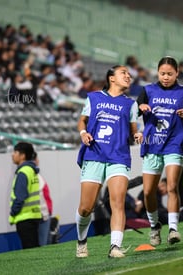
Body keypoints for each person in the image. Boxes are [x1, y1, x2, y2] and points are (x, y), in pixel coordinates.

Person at [75, 65, 141, 258]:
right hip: (94, 154)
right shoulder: (93, 97)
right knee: (86, 207)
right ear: (111, 78)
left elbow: (133, 129)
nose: (128, 76)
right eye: (124, 73)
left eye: (129, 74)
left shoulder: (130, 104)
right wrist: (83, 133)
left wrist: (137, 134)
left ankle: (115, 246)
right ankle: (81, 240)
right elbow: (82, 120)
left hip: (118, 157)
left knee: (118, 202)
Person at [136, 56, 183, 246]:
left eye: (170, 74)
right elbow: (133, 112)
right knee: (148, 193)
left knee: (171, 187)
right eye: (162, 73)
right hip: (152, 145)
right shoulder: (147, 90)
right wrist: (140, 106)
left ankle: (173, 229)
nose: (166, 77)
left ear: (177, 73)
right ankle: (155, 227)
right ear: (158, 73)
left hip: (174, 144)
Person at [9, 142, 42, 249]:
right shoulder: (31, 170)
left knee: (30, 251)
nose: (12, 155)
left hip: (24, 218)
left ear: (22, 155)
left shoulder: (23, 172)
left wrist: (13, 211)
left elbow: (20, 196)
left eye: (15, 152)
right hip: (33, 216)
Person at [33, 152, 54, 246]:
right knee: (43, 245)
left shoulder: (37, 175)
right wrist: (45, 213)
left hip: (45, 214)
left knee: (46, 243)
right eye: (36, 159)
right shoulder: (34, 176)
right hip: (42, 215)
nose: (38, 161)